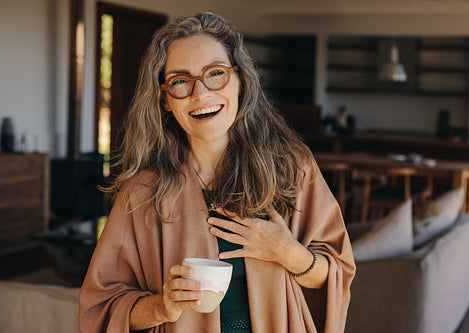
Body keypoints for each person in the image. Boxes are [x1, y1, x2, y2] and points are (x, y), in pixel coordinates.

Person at [79, 12, 355, 333]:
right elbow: (100, 308)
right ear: (165, 99)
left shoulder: (292, 168)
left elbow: (338, 274)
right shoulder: (142, 193)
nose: (201, 94)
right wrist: (162, 306)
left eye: (216, 73)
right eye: (181, 81)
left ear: (240, 81)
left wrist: (289, 253)